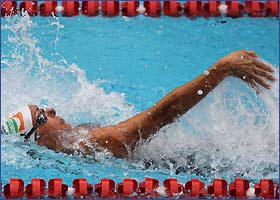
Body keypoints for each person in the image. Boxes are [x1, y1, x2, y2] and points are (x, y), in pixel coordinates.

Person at [1, 50, 276, 158]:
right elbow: (162, 114)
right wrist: (219, 70)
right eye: (42, 115)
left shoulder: (75, 140)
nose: (52, 110)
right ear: (40, 138)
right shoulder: (98, 143)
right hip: (193, 167)